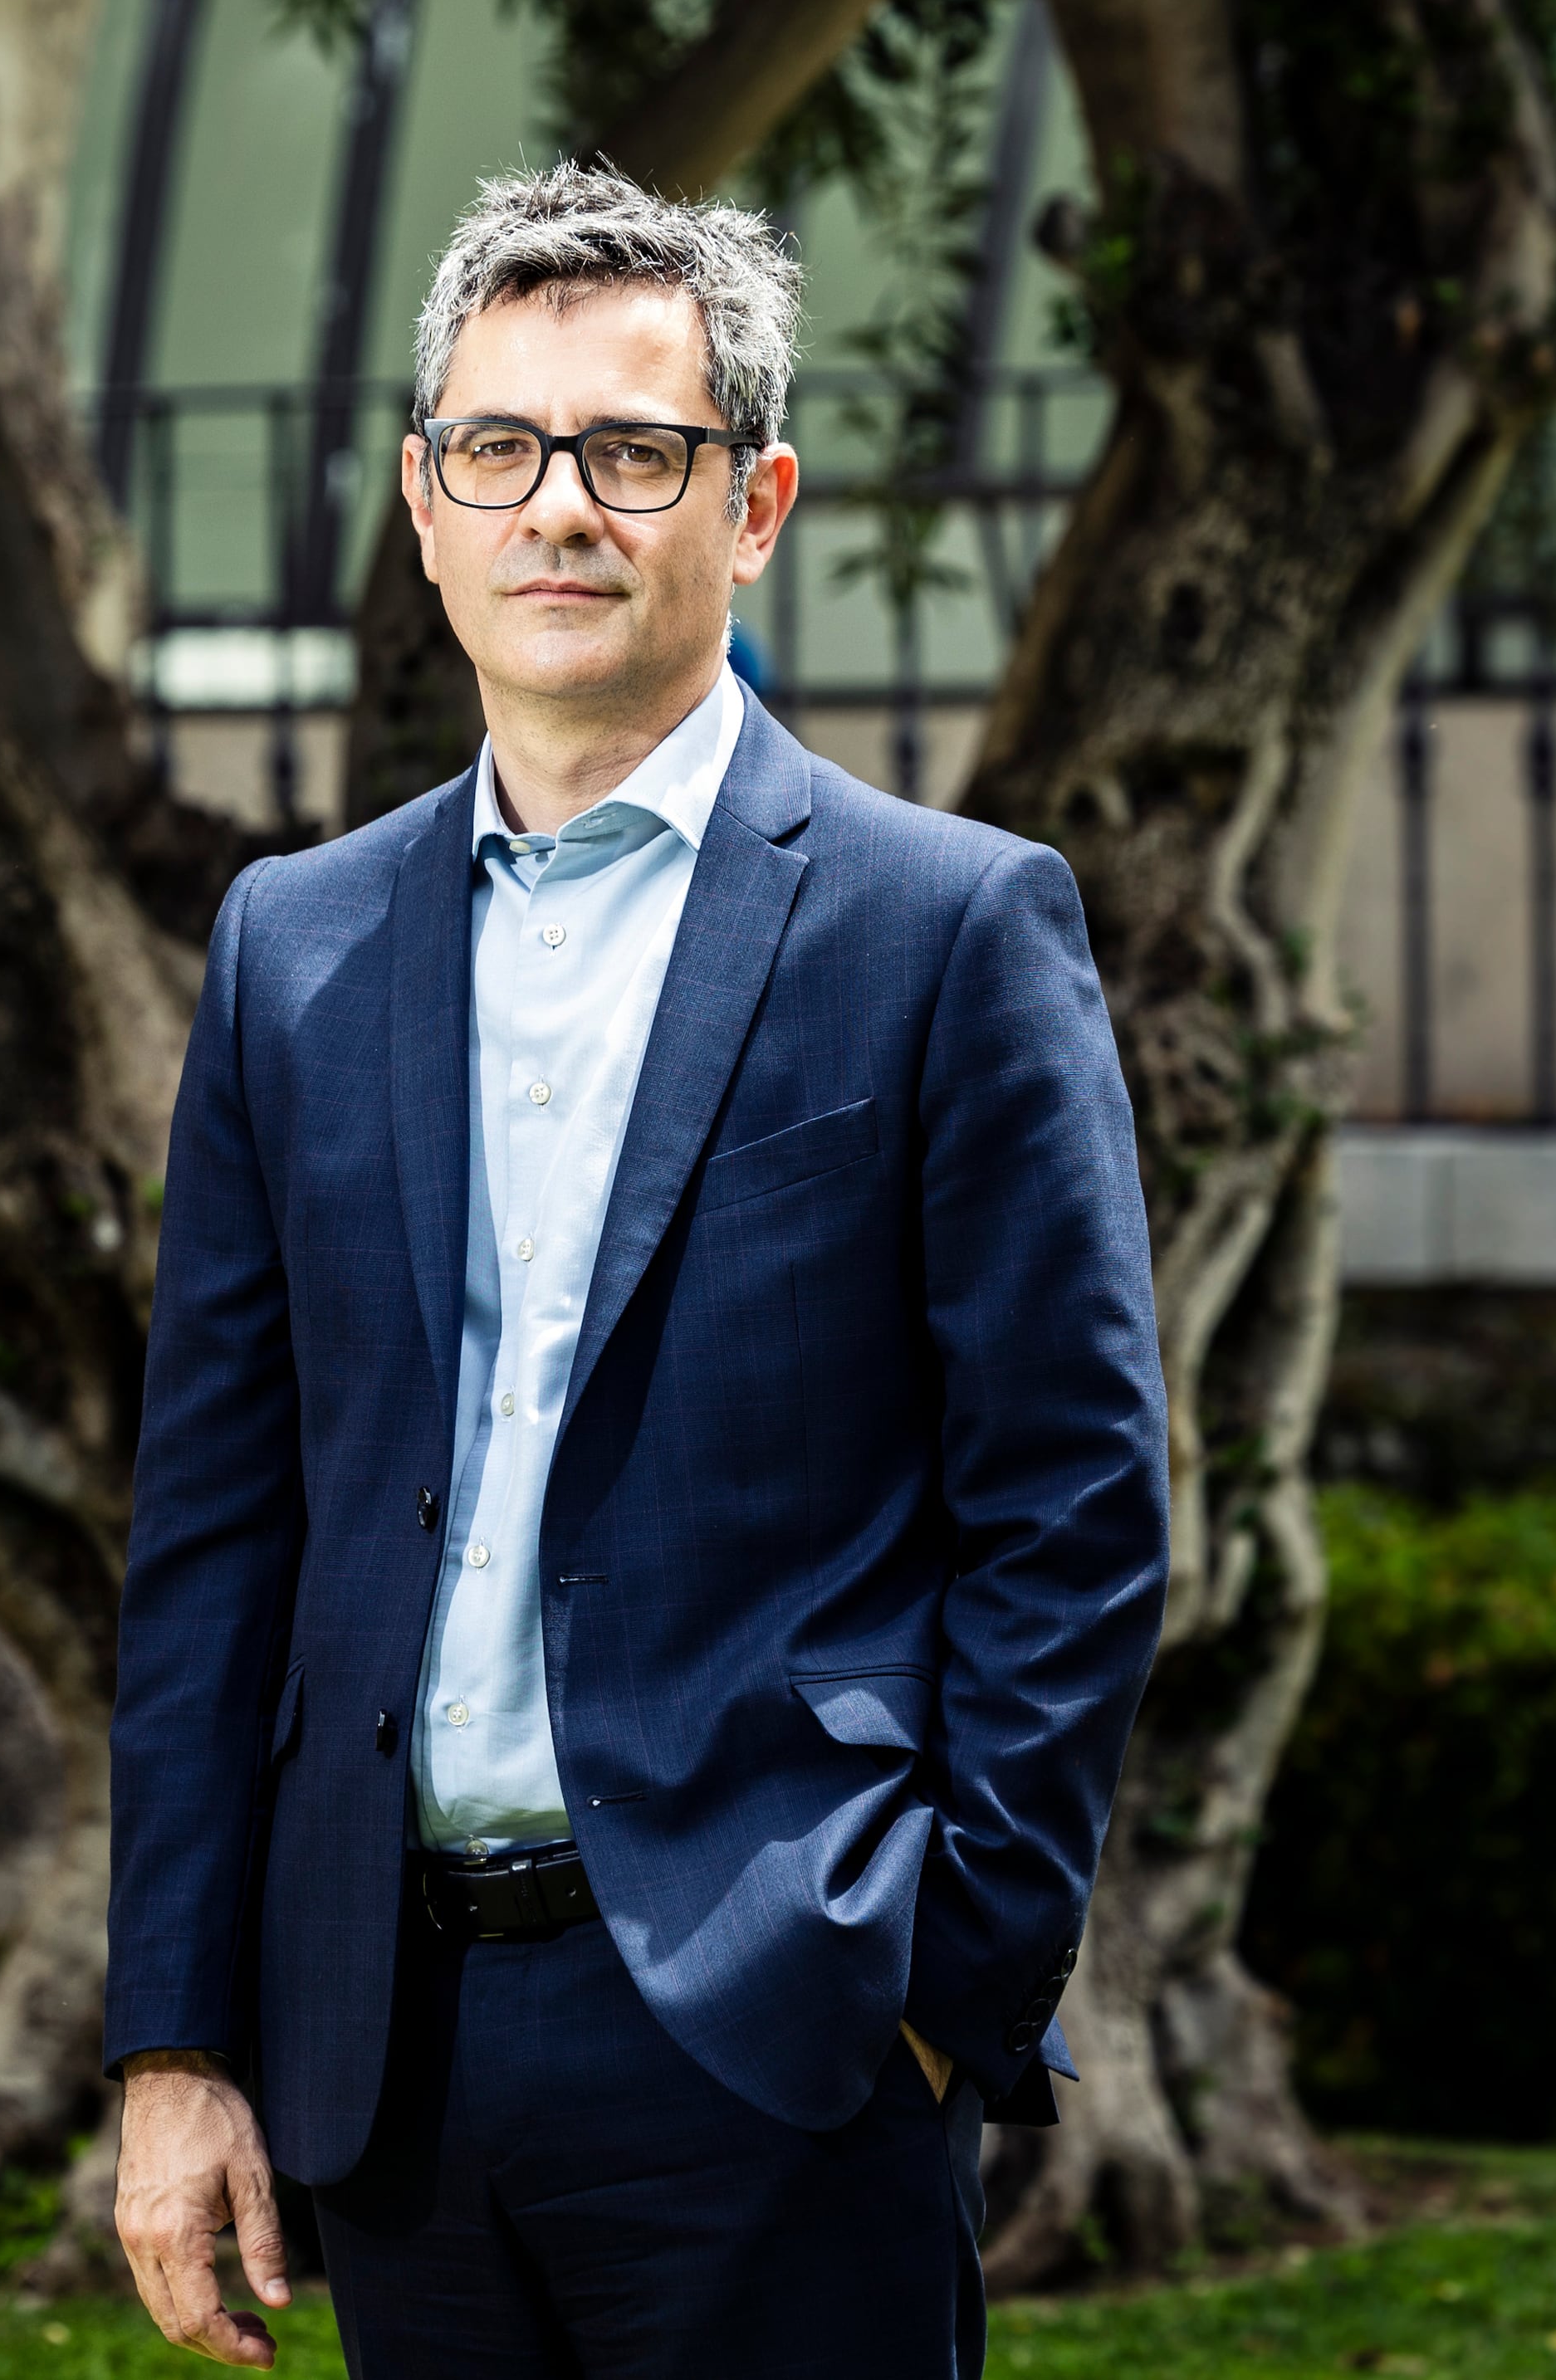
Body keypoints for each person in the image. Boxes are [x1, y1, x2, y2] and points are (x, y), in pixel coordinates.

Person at [101, 161, 1170, 2377]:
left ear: (753, 502)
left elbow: (1074, 1509)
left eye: (635, 452)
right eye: (499, 449)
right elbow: (219, 1535)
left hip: (778, 2037)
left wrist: (942, 1994)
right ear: (424, 504)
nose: (560, 507)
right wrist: (177, 2041)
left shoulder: (946, 929)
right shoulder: (293, 951)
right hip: (381, 2051)